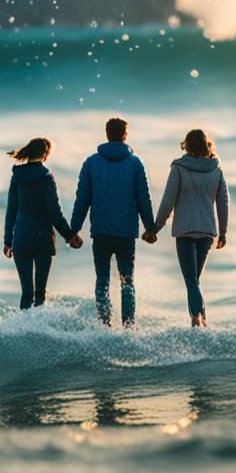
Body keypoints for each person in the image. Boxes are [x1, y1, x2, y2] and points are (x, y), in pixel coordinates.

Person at [71, 117, 156, 327]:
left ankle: (104, 326)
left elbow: (82, 198)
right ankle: (128, 327)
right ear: (125, 135)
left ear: (107, 134)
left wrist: (73, 230)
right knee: (127, 282)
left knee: (102, 282)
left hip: (101, 231)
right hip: (126, 233)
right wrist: (150, 228)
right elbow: (143, 198)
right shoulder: (135, 163)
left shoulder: (91, 162)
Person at [152, 128, 229, 327]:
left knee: (191, 281)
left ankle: (196, 317)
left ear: (187, 144)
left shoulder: (179, 168)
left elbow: (168, 201)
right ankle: (202, 320)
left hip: (185, 232)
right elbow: (223, 203)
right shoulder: (216, 169)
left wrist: (155, 228)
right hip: (207, 232)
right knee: (194, 280)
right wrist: (223, 232)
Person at [3, 137, 81, 310]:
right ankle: (39, 332)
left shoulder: (17, 176)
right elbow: (54, 213)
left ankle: (22, 331)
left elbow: (11, 211)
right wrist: (69, 236)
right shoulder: (46, 177)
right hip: (42, 239)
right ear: (45, 155)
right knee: (40, 293)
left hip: (21, 239)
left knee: (26, 292)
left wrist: (8, 241)